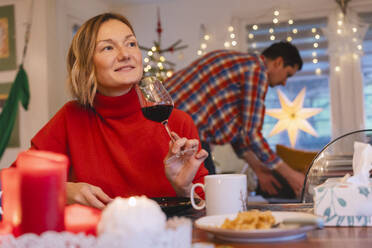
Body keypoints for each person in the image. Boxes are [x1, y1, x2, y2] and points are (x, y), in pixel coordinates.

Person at [16, 13, 208, 209]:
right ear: (85, 64)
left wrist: (184, 188)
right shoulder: (70, 118)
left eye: (131, 44)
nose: (125, 54)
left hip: (166, 238)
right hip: (95, 238)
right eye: (108, 47)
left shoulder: (178, 122)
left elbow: (206, 209)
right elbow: (13, 182)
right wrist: (61, 190)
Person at [164, 42, 305, 198]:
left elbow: (239, 133)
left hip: (170, 125)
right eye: (288, 74)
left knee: (204, 193)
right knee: (206, 196)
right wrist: (291, 175)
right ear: (278, 62)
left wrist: (258, 169)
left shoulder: (241, 64)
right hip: (180, 129)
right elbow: (252, 134)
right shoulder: (256, 71)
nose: (285, 83)